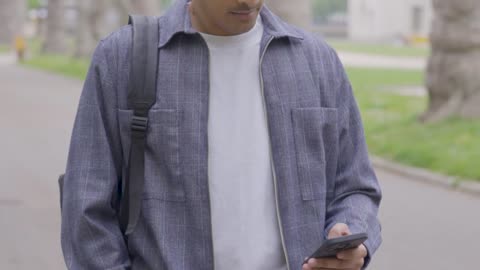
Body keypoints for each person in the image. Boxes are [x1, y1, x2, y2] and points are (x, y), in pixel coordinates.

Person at [60, 0, 382, 269]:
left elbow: (355, 187)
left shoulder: (317, 61)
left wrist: (349, 238)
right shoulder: (123, 58)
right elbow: (86, 210)